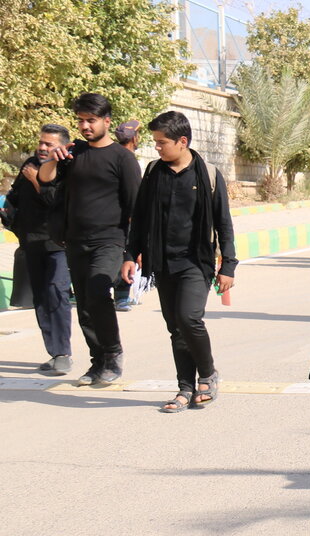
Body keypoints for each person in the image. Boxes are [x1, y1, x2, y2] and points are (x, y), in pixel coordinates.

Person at [123, 110, 236, 413]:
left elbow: (224, 223)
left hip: (195, 262)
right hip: (162, 261)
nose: (157, 147)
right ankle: (184, 387)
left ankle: (209, 374)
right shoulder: (152, 173)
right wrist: (130, 255)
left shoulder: (208, 174)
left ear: (182, 141)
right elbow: (141, 219)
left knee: (189, 319)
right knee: (175, 328)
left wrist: (228, 266)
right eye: (156, 142)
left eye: (162, 142)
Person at [38, 92, 140, 387]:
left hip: (109, 241)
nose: (85, 126)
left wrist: (132, 252)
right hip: (74, 240)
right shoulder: (73, 153)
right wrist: (53, 159)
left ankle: (112, 353)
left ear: (107, 121)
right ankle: (97, 363)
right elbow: (45, 180)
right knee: (83, 305)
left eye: (91, 121)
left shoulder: (122, 158)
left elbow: (136, 208)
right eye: (81, 121)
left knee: (97, 292)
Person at [6, 124, 73, 376]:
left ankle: (63, 353)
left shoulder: (67, 168)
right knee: (41, 299)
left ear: (62, 147)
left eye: (49, 144)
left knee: (56, 292)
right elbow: (15, 195)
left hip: (58, 244)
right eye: (41, 142)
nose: (43, 148)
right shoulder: (30, 164)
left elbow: (55, 202)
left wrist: (36, 181)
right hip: (30, 242)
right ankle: (55, 352)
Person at [111, 119, 145, 312]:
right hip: (124, 220)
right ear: (134, 138)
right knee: (127, 255)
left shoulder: (113, 155)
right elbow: (133, 197)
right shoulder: (128, 159)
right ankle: (122, 297)